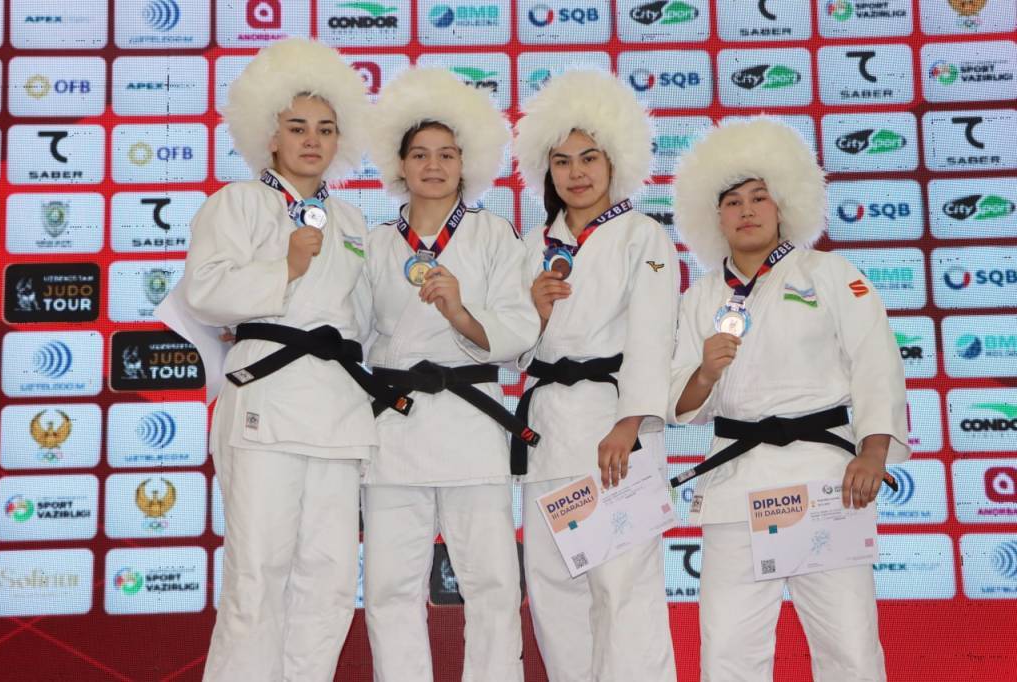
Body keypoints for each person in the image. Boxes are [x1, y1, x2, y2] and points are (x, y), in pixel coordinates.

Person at [180, 38, 398, 682]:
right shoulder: (238, 202)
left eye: (326, 129)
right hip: (266, 402)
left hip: (337, 410)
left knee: (329, 577)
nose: (312, 140)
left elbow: (370, 322)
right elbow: (204, 292)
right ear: (269, 136)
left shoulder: (352, 220)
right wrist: (287, 266)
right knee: (258, 573)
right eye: (297, 127)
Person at [668, 116, 910, 682]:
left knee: (849, 647)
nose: (747, 210)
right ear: (714, 217)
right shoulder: (698, 297)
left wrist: (873, 452)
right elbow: (679, 402)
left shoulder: (829, 273)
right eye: (732, 201)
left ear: (784, 205)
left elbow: (876, 363)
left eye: (760, 197)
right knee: (727, 652)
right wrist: (705, 371)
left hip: (824, 479)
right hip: (736, 484)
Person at [361, 67, 539, 682]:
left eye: (446, 154)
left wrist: (461, 313)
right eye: (420, 154)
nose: (433, 165)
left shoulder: (492, 234)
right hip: (394, 427)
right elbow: (348, 329)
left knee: (492, 582)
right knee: (389, 586)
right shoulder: (375, 242)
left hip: (470, 423)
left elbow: (520, 328)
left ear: (466, 163)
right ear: (400, 164)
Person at [512, 69, 679, 682]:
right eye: (561, 161)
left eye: (588, 158)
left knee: (624, 589)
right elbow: (513, 349)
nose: (575, 173)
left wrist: (630, 423)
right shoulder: (532, 245)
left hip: (614, 430)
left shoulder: (643, 235)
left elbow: (654, 336)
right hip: (547, 432)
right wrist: (531, 310)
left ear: (614, 163)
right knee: (555, 590)